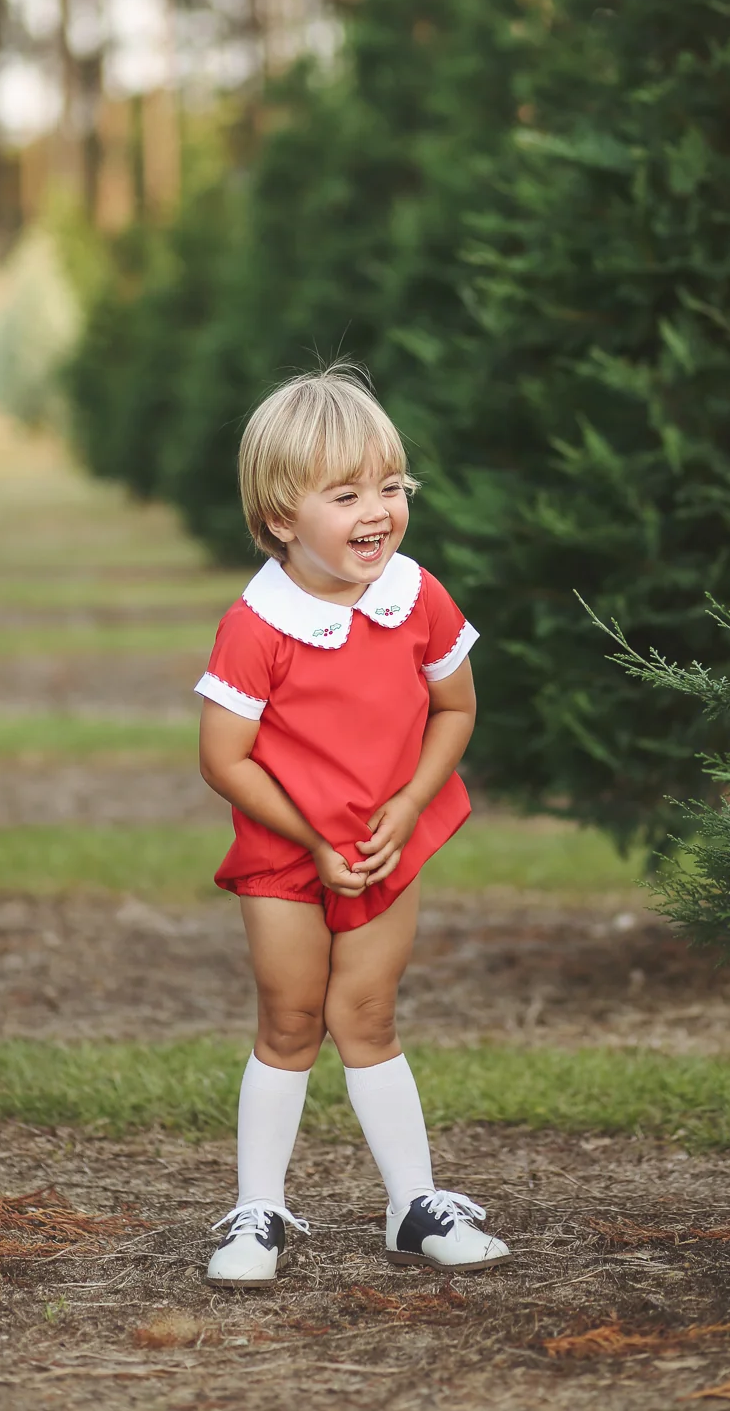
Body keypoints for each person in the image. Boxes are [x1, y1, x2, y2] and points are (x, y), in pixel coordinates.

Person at [195, 364, 511, 1287]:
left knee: (367, 1013)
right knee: (291, 1020)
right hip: (286, 858)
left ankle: (414, 1205)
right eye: (346, 494)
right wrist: (313, 842)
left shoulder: (416, 597)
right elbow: (225, 758)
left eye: (391, 486)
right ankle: (258, 1212)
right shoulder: (258, 625)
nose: (378, 510)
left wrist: (408, 807)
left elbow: (454, 709)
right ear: (281, 518)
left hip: (384, 850)